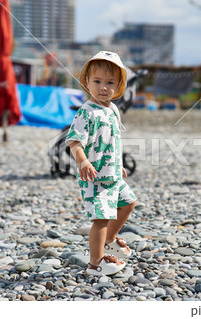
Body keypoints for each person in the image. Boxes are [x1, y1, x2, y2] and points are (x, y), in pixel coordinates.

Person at [65, 51, 137, 276]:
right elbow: (75, 142)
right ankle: (95, 263)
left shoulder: (112, 109)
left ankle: (110, 240)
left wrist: (119, 162)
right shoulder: (86, 112)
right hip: (95, 177)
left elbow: (112, 140)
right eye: (97, 82)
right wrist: (83, 161)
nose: (103, 87)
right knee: (101, 218)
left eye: (109, 83)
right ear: (87, 82)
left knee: (128, 202)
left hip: (112, 173)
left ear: (119, 85)